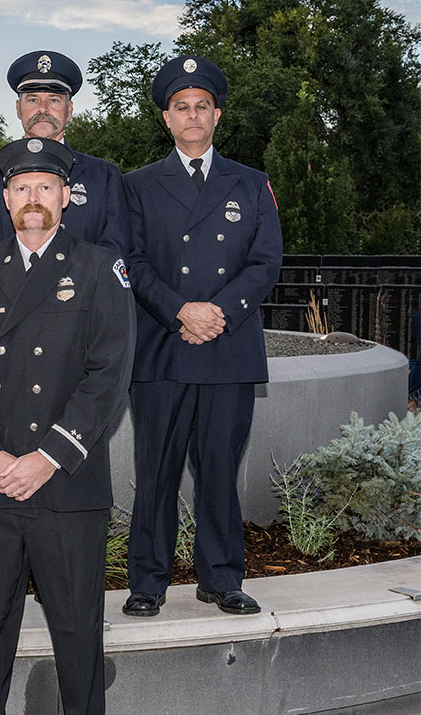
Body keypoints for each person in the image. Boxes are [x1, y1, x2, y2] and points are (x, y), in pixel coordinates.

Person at [0, 138, 135, 715]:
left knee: (78, 638)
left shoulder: (100, 268)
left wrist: (45, 458)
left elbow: (109, 374)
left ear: (66, 197)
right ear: (4, 199)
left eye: (45, 187)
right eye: (22, 187)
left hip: (66, 486)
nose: (33, 198)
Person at [122, 55, 283, 619]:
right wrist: (180, 310)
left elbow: (265, 263)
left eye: (202, 107)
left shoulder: (251, 182)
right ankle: (147, 582)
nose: (192, 117)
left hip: (227, 346)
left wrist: (217, 311)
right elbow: (132, 264)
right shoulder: (137, 185)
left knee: (219, 472)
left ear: (217, 115)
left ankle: (221, 578)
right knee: (156, 476)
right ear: (167, 119)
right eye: (181, 108)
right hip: (163, 350)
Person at [0, 50, 127, 256]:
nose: (43, 109)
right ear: (18, 108)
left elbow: (114, 253)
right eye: (32, 100)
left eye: (54, 100)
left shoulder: (104, 176)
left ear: (69, 110)